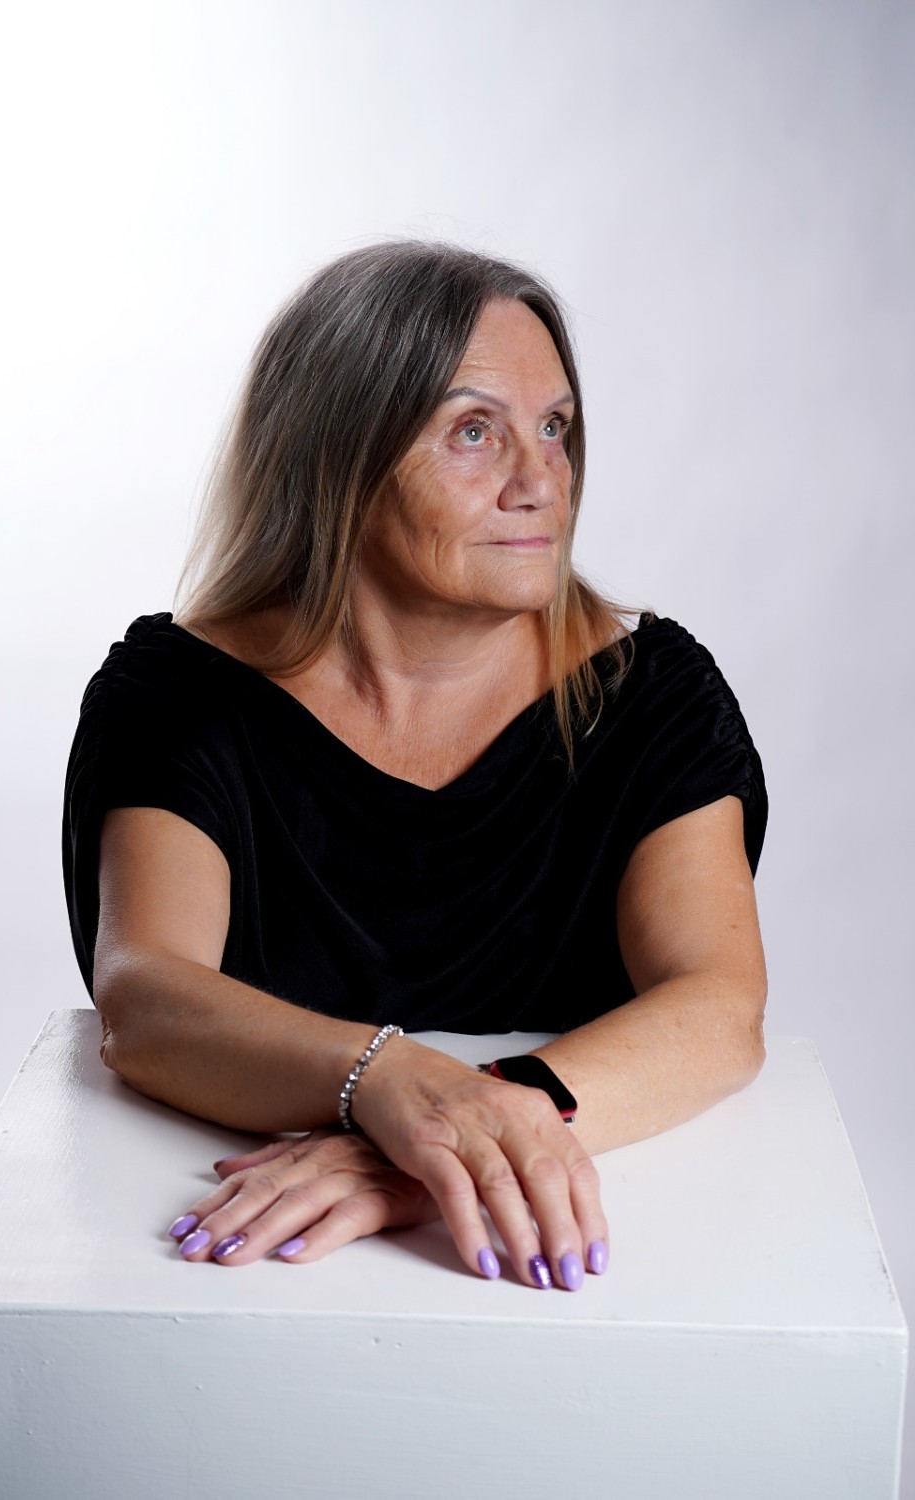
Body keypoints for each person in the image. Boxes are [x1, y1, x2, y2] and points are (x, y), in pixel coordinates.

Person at [62, 240, 767, 1293]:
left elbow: (718, 1006)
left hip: (600, 1273)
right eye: (474, 432)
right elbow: (146, 997)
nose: (541, 481)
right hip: (231, 1273)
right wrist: (389, 1086)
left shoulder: (651, 692)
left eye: (554, 427)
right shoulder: (181, 694)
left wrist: (457, 1134)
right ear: (338, 457)